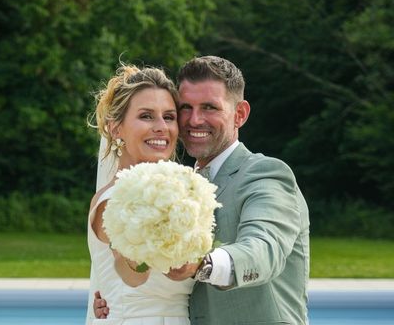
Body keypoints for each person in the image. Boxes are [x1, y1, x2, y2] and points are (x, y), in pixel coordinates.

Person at [94, 56, 310, 325]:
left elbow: (264, 250)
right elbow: (131, 271)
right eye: (186, 108)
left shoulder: (265, 175)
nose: (195, 120)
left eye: (209, 107)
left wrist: (203, 265)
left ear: (240, 114)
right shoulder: (174, 188)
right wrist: (113, 298)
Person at [86, 64, 199, 324]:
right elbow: (133, 274)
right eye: (146, 116)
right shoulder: (114, 201)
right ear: (116, 129)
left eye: (169, 117)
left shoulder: (179, 195)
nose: (161, 127)